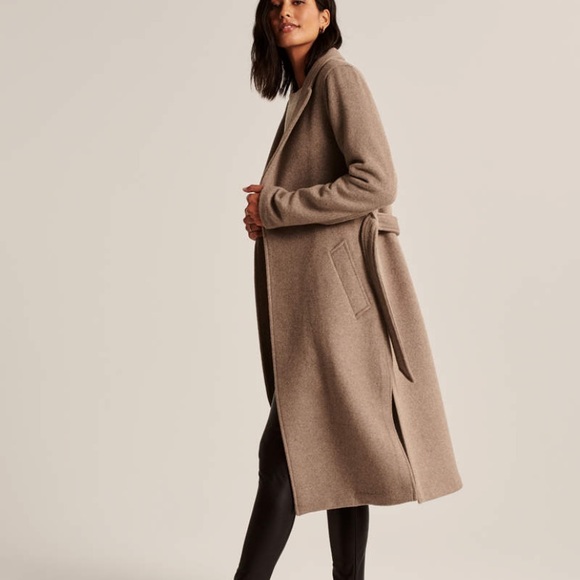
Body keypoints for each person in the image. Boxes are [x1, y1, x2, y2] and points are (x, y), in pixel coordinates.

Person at [236, 0, 462, 578]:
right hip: (321, 307)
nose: (284, 11)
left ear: (326, 16)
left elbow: (376, 180)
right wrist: (268, 218)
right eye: (275, 3)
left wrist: (277, 206)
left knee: (282, 457)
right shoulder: (304, 92)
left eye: (299, 1)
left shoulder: (338, 78)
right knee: (340, 453)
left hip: (338, 309)